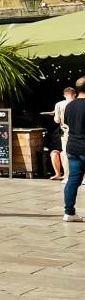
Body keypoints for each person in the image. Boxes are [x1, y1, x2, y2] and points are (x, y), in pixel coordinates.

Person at [63, 76, 85, 221]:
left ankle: (69, 212)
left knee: (73, 180)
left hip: (73, 147)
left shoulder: (70, 105)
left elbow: (67, 124)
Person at [52, 86, 76, 180]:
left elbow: (57, 120)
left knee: (65, 154)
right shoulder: (80, 103)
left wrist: (54, 116)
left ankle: (67, 177)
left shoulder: (59, 104)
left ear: (64, 95)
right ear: (75, 94)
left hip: (66, 132)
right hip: (80, 132)